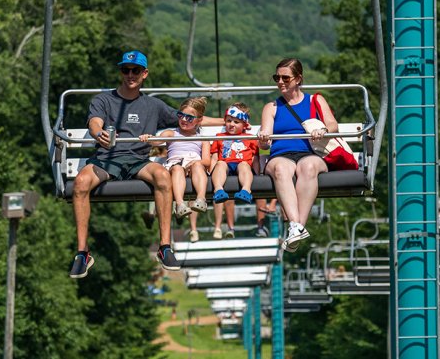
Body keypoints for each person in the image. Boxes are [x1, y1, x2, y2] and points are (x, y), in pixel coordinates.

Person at [68, 50, 222, 278]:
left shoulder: (153, 105)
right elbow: (95, 121)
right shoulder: (104, 99)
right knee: (80, 183)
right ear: (121, 72)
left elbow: (190, 118)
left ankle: (165, 246)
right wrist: (98, 132)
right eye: (126, 70)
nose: (130, 74)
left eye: (135, 70)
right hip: (107, 159)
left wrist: (229, 122)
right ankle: (82, 252)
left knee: (162, 176)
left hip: (139, 161)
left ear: (144, 74)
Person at [257, 58, 339, 252]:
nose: (280, 82)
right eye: (277, 77)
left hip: (309, 153)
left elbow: (333, 124)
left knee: (308, 167)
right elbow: (265, 137)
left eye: (285, 77)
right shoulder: (272, 107)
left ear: (298, 79)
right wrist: (263, 139)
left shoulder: (315, 101)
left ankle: (295, 227)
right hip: (281, 154)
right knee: (280, 169)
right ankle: (296, 226)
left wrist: (323, 130)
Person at [141, 97, 211, 243]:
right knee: (178, 169)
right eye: (181, 115)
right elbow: (156, 141)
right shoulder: (171, 133)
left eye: (189, 117)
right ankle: (180, 204)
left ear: (198, 120)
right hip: (176, 165)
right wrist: (148, 138)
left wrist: (194, 163)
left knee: (199, 166)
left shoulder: (202, 138)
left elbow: (206, 161)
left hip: (193, 165)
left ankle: (201, 199)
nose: (184, 120)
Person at [209, 103, 259, 239]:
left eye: (236, 122)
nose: (231, 124)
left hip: (242, 164)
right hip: (225, 164)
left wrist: (259, 173)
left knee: (244, 165)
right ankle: (218, 189)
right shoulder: (219, 136)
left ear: (244, 125)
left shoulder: (250, 138)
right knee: (220, 164)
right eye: (229, 121)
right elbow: (214, 157)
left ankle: (246, 189)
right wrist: (211, 171)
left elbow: (255, 158)